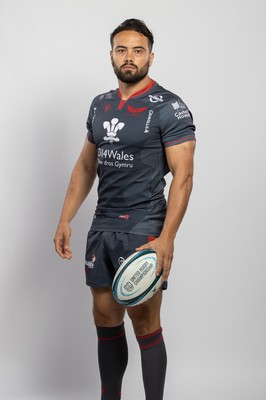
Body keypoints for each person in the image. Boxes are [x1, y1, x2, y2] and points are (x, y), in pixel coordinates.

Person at [54, 18, 196, 400]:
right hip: (103, 225)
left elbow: (183, 177)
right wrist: (65, 218)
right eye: (121, 49)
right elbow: (86, 166)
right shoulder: (100, 105)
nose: (129, 57)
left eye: (137, 50)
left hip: (145, 225)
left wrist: (166, 238)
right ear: (112, 55)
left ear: (151, 56)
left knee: (146, 320)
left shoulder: (169, 106)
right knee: (104, 315)